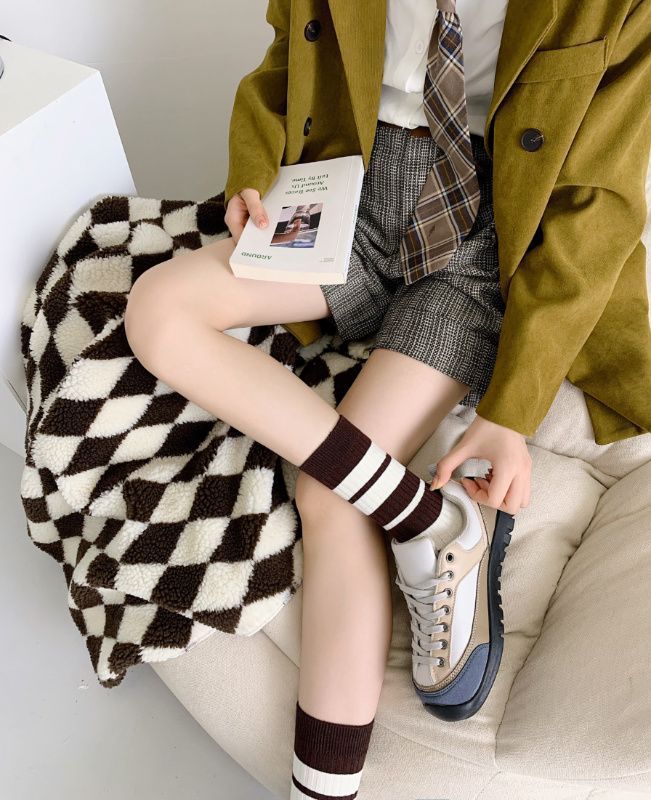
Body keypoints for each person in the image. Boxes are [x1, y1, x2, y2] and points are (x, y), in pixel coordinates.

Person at [123, 0, 651, 797]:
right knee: (158, 310)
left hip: (485, 241)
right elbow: (284, 60)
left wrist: (508, 415)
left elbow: (596, 209)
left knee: (328, 497)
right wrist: (253, 175)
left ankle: (321, 790)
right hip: (346, 198)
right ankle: (423, 517)